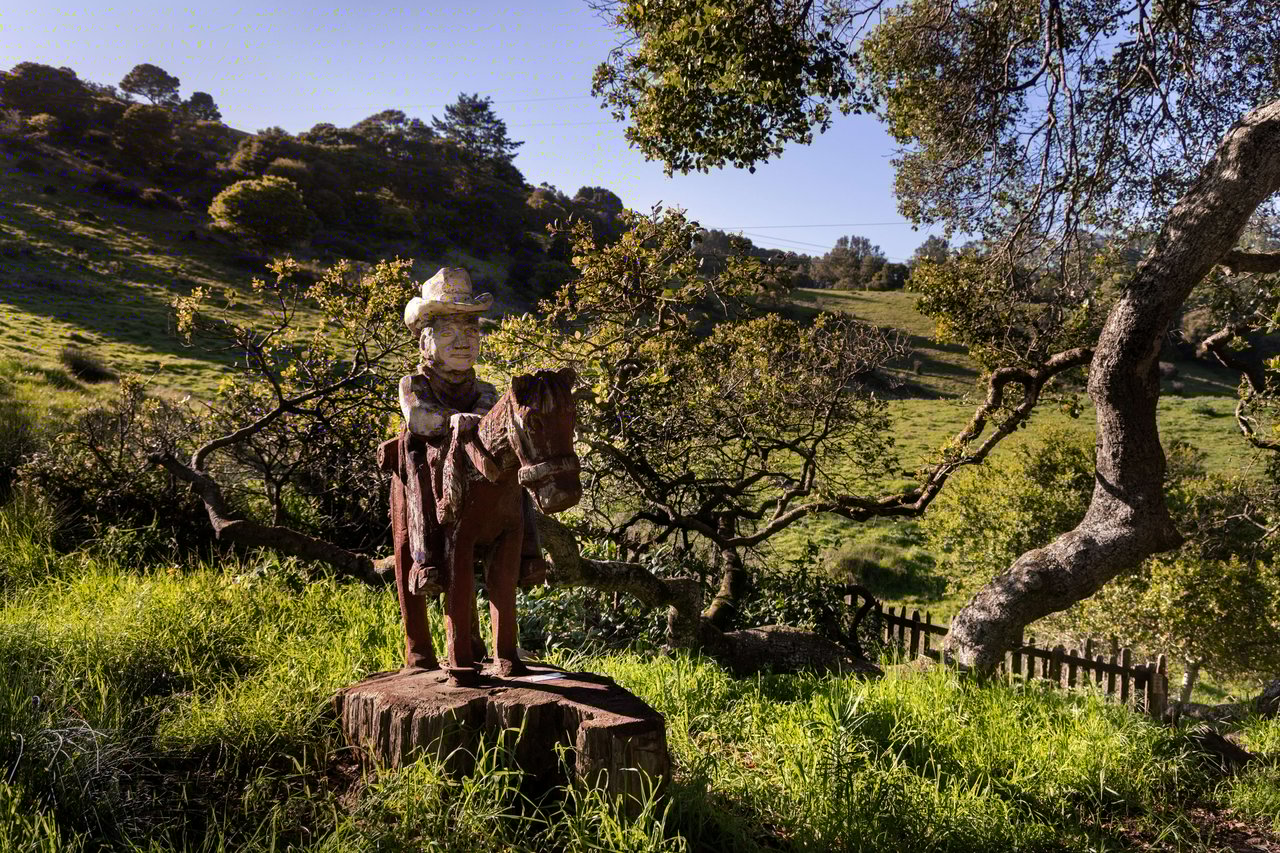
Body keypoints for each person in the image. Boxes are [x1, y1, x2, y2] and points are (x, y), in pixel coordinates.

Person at [389, 267, 544, 669]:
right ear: (425, 341)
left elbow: (493, 424)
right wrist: (456, 421)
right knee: (417, 465)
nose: (462, 342)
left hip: (479, 467)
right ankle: (425, 559)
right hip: (430, 463)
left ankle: (529, 550)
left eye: (472, 332)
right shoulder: (413, 383)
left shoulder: (487, 390)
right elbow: (420, 419)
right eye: (448, 333)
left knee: (518, 474)